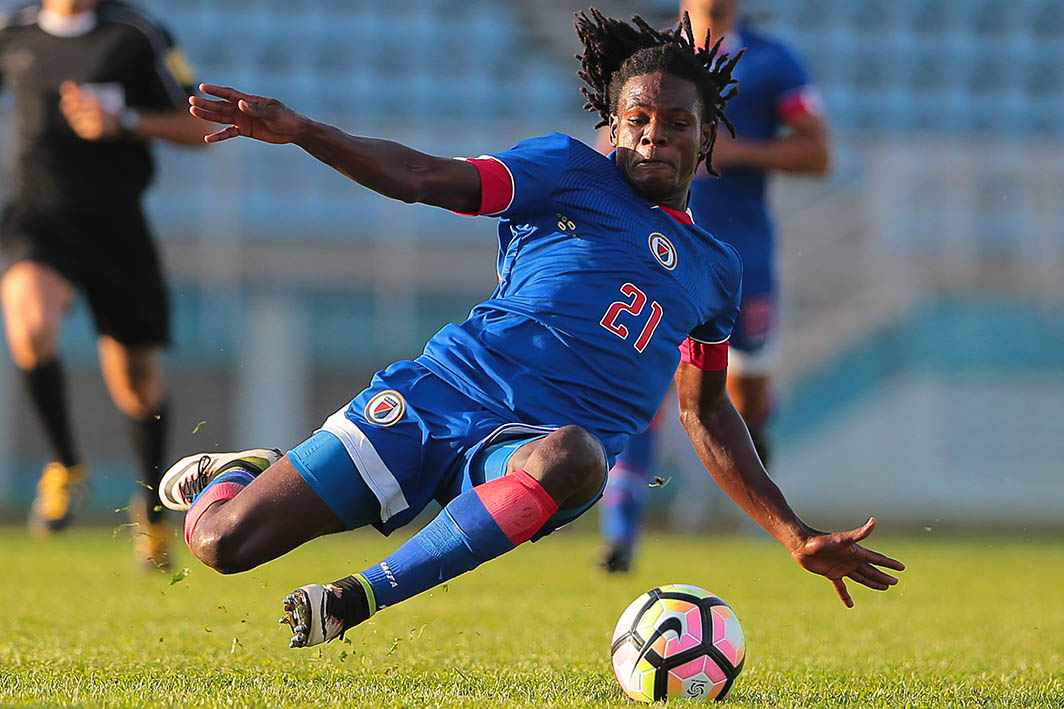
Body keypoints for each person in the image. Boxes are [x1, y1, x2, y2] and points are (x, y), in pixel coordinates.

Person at [161, 9, 902, 649]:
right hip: (441, 395)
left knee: (577, 455)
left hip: (529, 452)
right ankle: (246, 471)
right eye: (637, 120)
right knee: (222, 543)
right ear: (613, 125)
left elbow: (704, 409)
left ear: (707, 139)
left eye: (677, 124)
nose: (653, 137)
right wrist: (306, 132)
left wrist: (794, 532)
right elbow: (420, 176)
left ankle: (355, 598)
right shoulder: (562, 170)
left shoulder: (715, 269)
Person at [597, 0, 831, 572]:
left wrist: (731, 150)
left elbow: (818, 152)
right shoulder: (650, 57)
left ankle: (754, 447)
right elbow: (612, 136)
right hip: (657, 247)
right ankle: (621, 534)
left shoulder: (773, 61)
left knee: (742, 398)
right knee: (646, 387)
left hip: (740, 257)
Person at [0, 0, 208, 565]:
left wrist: (129, 122)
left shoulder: (135, 33)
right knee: (31, 327)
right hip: (38, 221)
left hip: (118, 228)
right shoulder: (13, 32)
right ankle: (66, 466)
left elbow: (201, 123)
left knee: (137, 384)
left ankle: (154, 514)